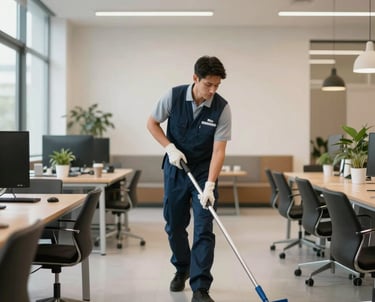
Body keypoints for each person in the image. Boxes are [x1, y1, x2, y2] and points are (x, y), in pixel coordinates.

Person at [147, 55, 231, 302]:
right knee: (174, 226)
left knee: (204, 228)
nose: (213, 90)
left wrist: (210, 185)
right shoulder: (172, 97)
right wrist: (169, 148)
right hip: (175, 169)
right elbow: (152, 123)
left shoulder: (222, 108)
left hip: (204, 173)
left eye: (217, 85)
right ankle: (182, 267)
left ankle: (200, 288)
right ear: (195, 78)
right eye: (209, 85)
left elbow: (219, 150)